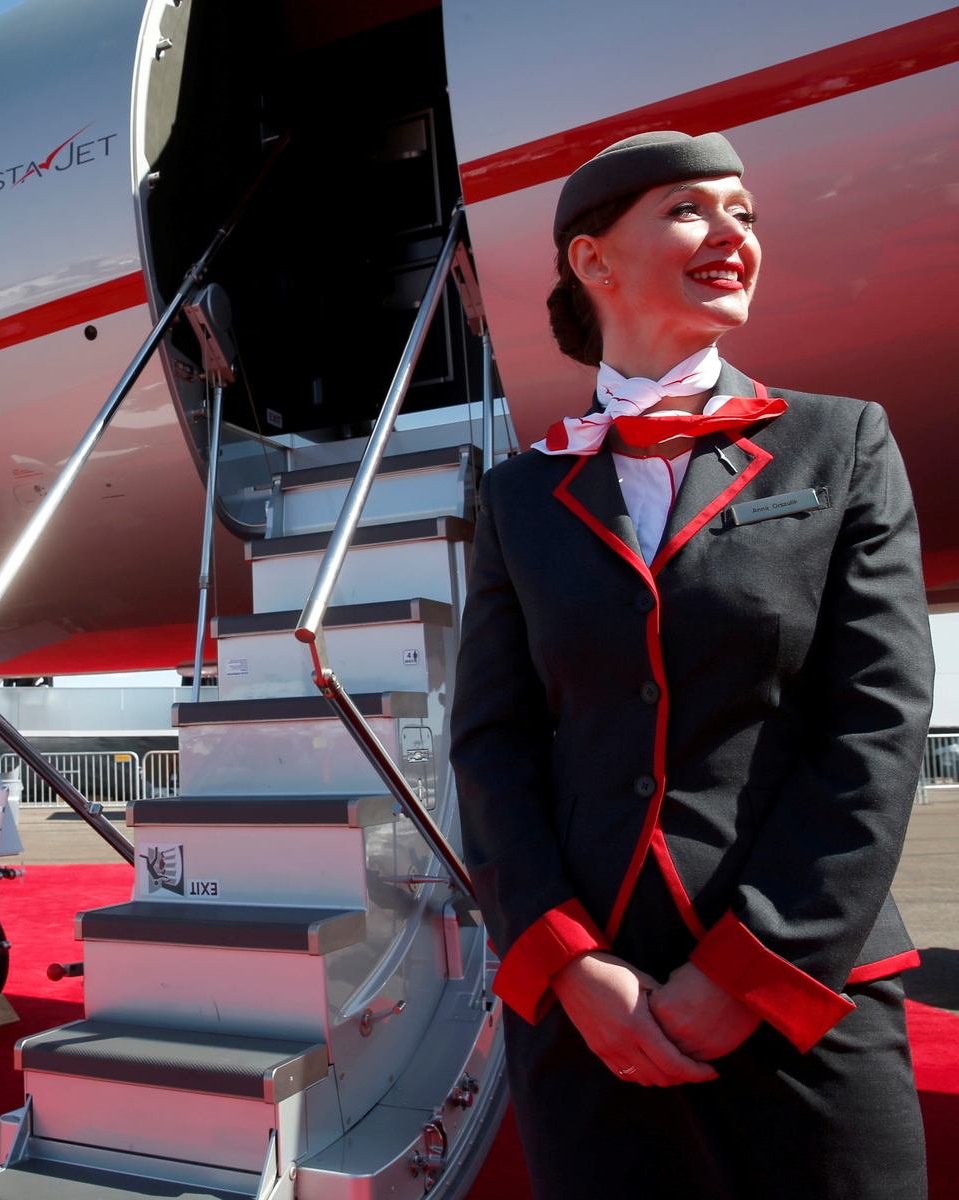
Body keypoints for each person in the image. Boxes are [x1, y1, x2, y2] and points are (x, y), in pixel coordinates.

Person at [450, 132, 931, 1199]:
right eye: (690, 210)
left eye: (745, 215)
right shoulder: (521, 495)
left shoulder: (839, 444)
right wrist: (569, 967)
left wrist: (747, 969)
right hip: (592, 1009)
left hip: (803, 988)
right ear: (592, 260)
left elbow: (877, 724)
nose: (734, 236)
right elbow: (491, 745)